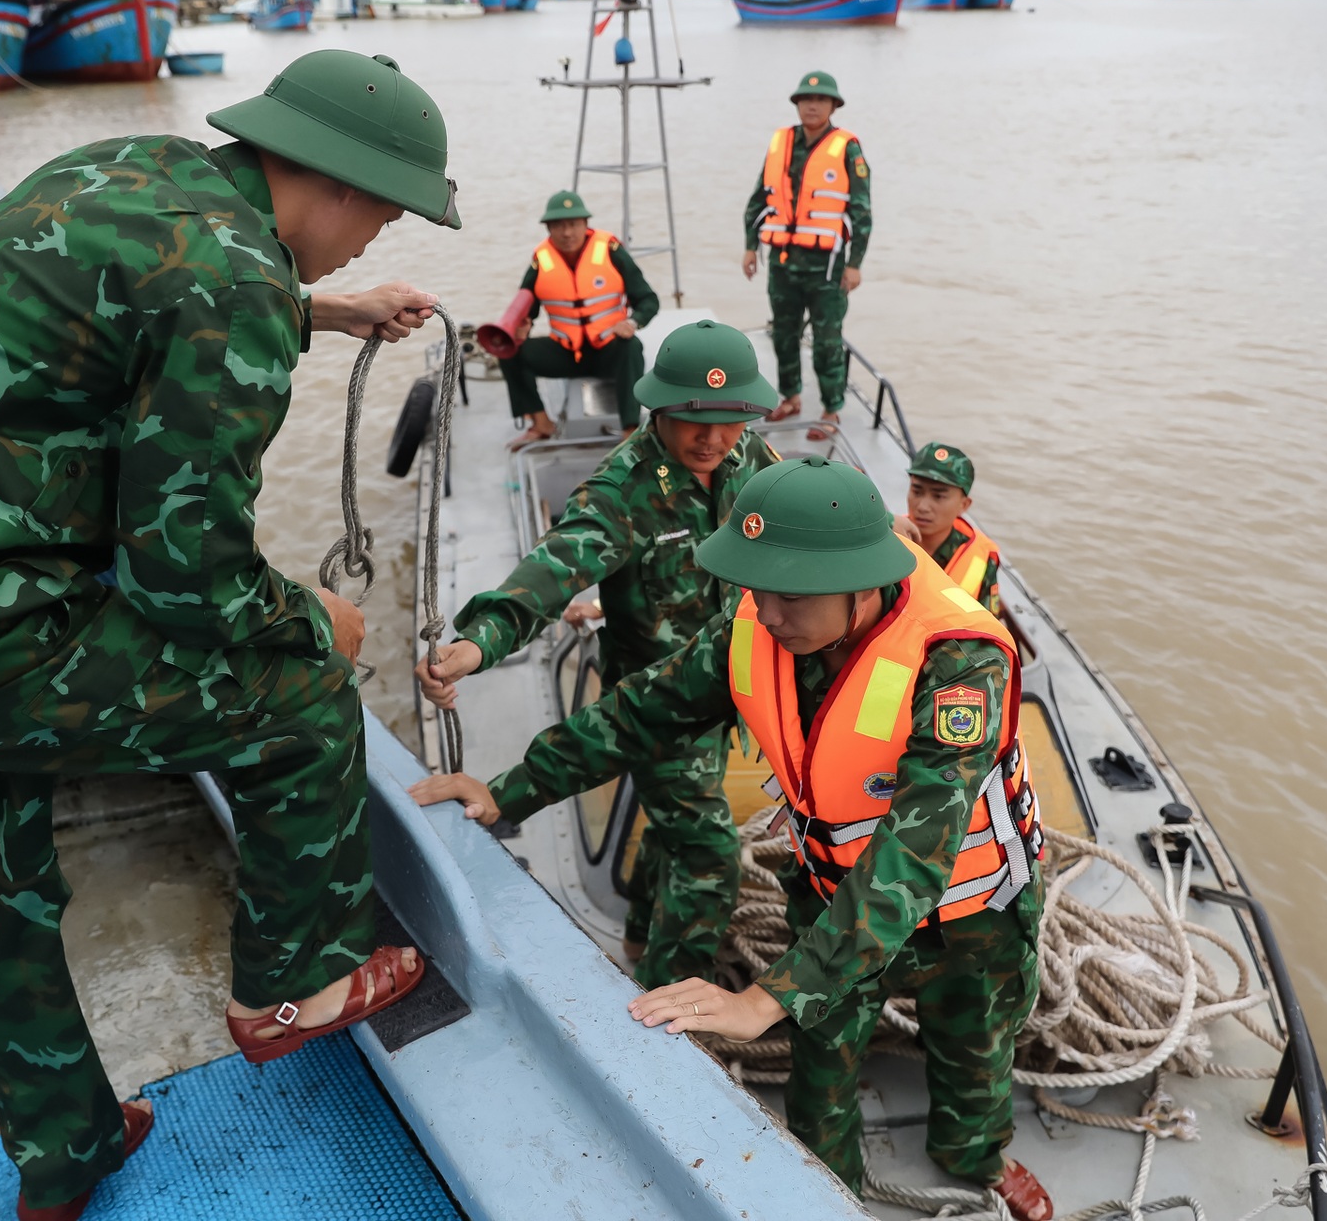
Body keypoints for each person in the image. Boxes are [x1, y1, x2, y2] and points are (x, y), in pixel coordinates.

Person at [0, 50, 456, 1221]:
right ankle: (293, 987)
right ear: (331, 180)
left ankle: (65, 1151)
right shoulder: (233, 281)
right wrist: (310, 618)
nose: (376, 236)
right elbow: (186, 573)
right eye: (381, 210)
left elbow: (141, 290)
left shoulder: (130, 170)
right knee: (298, 696)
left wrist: (320, 307)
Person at [412, 458, 1054, 1221]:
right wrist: (507, 791)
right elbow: (637, 713)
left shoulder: (959, 664)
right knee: (820, 1073)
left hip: (970, 913)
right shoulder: (757, 624)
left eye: (787, 595)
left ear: (860, 582)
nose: (766, 612)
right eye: (755, 588)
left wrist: (766, 995)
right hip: (833, 894)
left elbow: (914, 854)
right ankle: (826, 1196)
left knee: (976, 1054)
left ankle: (975, 1157)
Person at [417, 319, 779, 986]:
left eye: (731, 420)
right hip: (654, 706)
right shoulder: (623, 493)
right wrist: (477, 644)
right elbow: (552, 571)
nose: (714, 438)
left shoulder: (746, 459)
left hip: (726, 686)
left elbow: (787, 525)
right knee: (708, 855)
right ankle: (671, 1011)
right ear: (657, 408)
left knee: (675, 823)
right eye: (695, 420)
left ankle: (641, 936)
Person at [742, 70, 871, 444]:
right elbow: (758, 199)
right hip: (782, 263)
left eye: (820, 100)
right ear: (797, 105)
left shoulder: (847, 148)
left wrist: (855, 264)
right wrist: (751, 246)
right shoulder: (780, 143)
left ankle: (831, 409)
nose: (812, 106)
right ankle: (791, 398)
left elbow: (862, 210)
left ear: (833, 106)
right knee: (783, 334)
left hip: (827, 268)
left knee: (828, 340)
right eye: (805, 100)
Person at [500, 189, 661, 448]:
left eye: (573, 224)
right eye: (558, 226)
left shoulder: (611, 250)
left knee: (631, 347)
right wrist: (520, 331)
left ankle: (630, 429)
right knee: (510, 352)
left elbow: (648, 300)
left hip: (609, 349)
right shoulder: (540, 261)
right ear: (548, 228)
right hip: (566, 353)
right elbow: (524, 311)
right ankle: (541, 423)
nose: (566, 233)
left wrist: (632, 322)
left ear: (586, 224)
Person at [906, 442, 1003, 617]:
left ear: (963, 505)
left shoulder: (982, 557)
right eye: (917, 491)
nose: (923, 506)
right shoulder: (887, 538)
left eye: (938, 496)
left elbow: (987, 626)